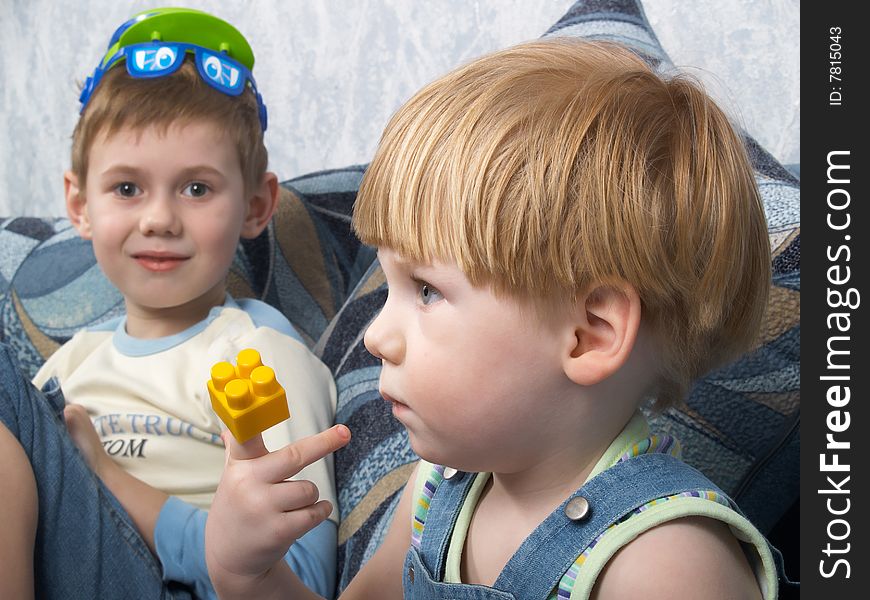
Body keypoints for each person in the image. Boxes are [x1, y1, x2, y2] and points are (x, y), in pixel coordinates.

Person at [205, 38, 784, 599]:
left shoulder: (666, 566)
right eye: (392, 288)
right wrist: (247, 576)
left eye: (427, 290)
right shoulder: (438, 490)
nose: (376, 336)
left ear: (589, 335)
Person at [0, 7, 339, 599]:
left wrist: (106, 475)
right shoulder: (70, 365)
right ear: (79, 204)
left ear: (258, 206)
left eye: (196, 188)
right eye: (127, 188)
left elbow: (299, 583)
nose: (159, 219)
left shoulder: (255, 358)